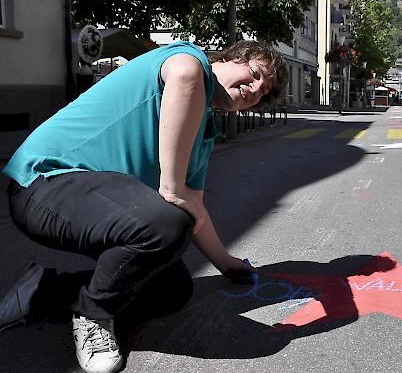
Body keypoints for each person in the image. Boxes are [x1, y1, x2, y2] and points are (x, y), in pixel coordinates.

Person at [0, 39, 288, 373]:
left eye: (263, 92)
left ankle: (40, 291)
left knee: (172, 288)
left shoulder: (202, 133)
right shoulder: (188, 60)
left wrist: (227, 264)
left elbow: (195, 207)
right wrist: (172, 187)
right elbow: (184, 74)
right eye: (254, 75)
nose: (255, 90)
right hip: (42, 185)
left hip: (98, 201)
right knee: (166, 222)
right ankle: (93, 313)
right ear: (227, 58)